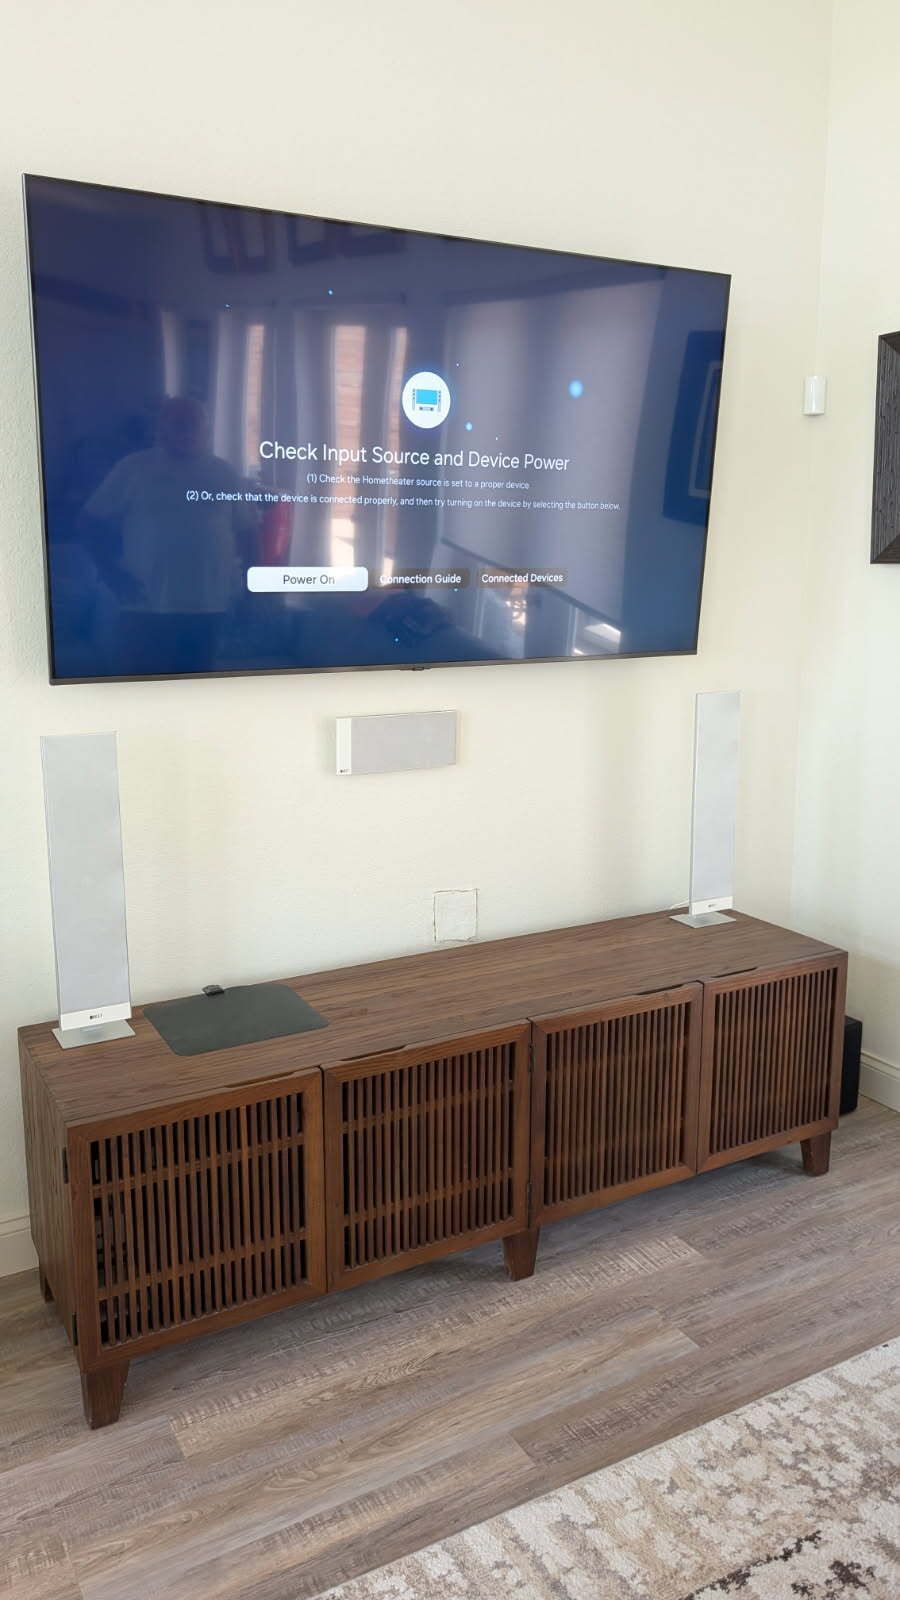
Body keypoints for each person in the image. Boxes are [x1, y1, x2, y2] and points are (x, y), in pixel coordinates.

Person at [81, 397, 259, 674]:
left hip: (208, 606)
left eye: (194, 424)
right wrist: (111, 573)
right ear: (161, 428)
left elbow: (248, 534)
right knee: (141, 696)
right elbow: (89, 522)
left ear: (206, 430)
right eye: (178, 423)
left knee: (197, 698)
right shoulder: (133, 468)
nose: (186, 430)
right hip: (144, 605)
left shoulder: (224, 473)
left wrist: (251, 594)